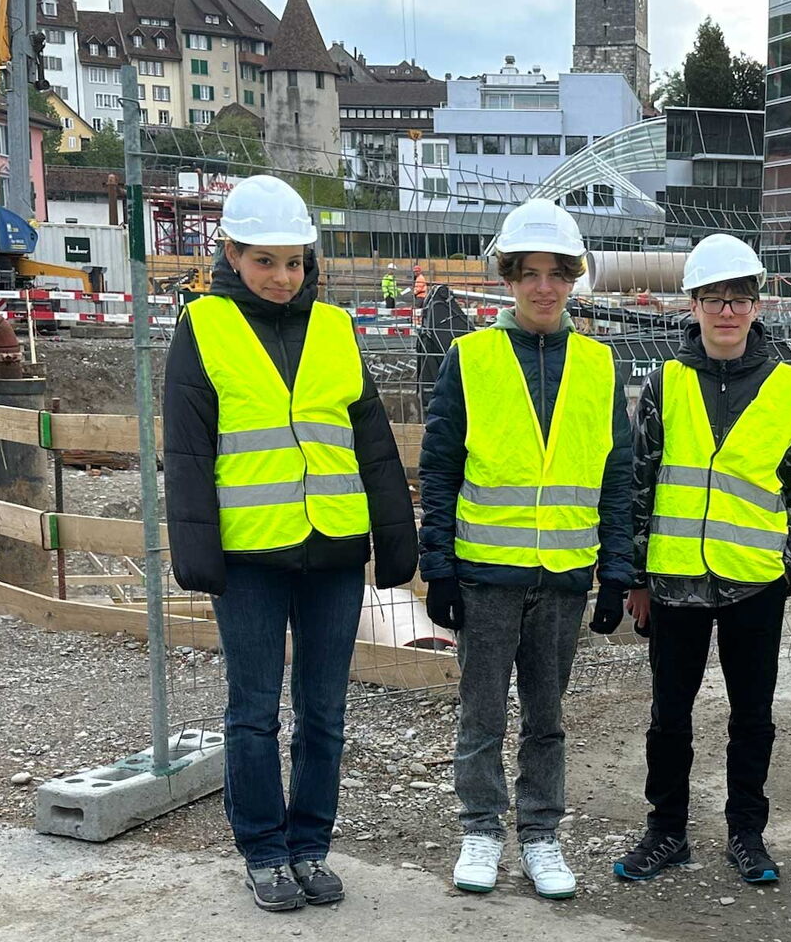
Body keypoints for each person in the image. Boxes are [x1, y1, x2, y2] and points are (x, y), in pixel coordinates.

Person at [162, 174, 417, 913]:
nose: (282, 276)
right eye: (265, 261)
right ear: (232, 255)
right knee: (252, 712)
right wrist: (197, 553)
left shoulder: (336, 330)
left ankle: (309, 846)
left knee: (324, 712)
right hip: (250, 556)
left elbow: (372, 444)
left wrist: (394, 538)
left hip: (333, 548)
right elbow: (187, 450)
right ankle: (264, 852)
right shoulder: (204, 326)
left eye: (295, 262)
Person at [417, 198, 633, 899]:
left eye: (558, 273)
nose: (544, 287)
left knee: (547, 720)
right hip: (487, 578)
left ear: (574, 278)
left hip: (564, 579)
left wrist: (616, 572)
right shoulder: (471, 359)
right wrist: (438, 569)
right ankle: (481, 830)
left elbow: (617, 477)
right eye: (530, 273)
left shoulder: (599, 365)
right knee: (481, 715)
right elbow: (440, 470)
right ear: (508, 278)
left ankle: (541, 836)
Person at [615, 233, 791, 885]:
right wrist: (637, 576)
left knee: (752, 717)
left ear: (757, 306)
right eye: (714, 298)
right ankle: (667, 832)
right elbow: (640, 482)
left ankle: (747, 834)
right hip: (674, 582)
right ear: (694, 305)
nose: (727, 310)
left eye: (738, 298)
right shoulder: (665, 383)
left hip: (755, 586)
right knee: (668, 718)